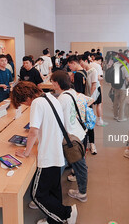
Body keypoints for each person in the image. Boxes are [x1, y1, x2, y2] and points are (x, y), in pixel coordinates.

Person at [12, 81, 78, 224]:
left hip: (48, 155)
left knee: (37, 195)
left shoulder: (36, 103)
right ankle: (54, 219)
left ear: (26, 97)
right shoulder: (50, 97)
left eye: (24, 102)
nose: (26, 105)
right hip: (56, 152)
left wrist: (26, 152)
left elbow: (34, 130)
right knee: (54, 190)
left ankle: (66, 214)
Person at [51, 71, 88, 203]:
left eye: (52, 81)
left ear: (56, 83)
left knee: (78, 166)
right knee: (79, 164)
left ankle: (82, 193)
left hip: (71, 139)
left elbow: (55, 118)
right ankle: (80, 188)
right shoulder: (71, 92)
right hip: (79, 133)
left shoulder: (62, 98)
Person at [67, 55, 97, 154]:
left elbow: (79, 92)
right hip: (87, 101)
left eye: (70, 66)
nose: (70, 68)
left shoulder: (78, 75)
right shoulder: (83, 71)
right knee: (89, 123)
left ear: (74, 63)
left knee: (83, 126)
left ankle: (83, 150)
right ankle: (92, 145)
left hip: (81, 104)